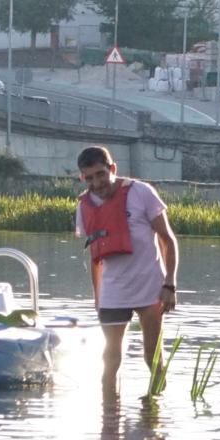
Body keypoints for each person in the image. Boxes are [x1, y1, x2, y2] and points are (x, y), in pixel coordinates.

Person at [74, 146, 180, 398]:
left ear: (112, 169)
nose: (97, 183)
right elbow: (96, 256)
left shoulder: (141, 192)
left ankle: (154, 412)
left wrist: (170, 285)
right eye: (89, 178)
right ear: (82, 178)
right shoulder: (84, 206)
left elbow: (167, 239)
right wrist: (97, 298)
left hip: (150, 286)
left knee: (152, 356)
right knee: (110, 359)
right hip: (113, 289)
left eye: (101, 174)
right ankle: (110, 419)